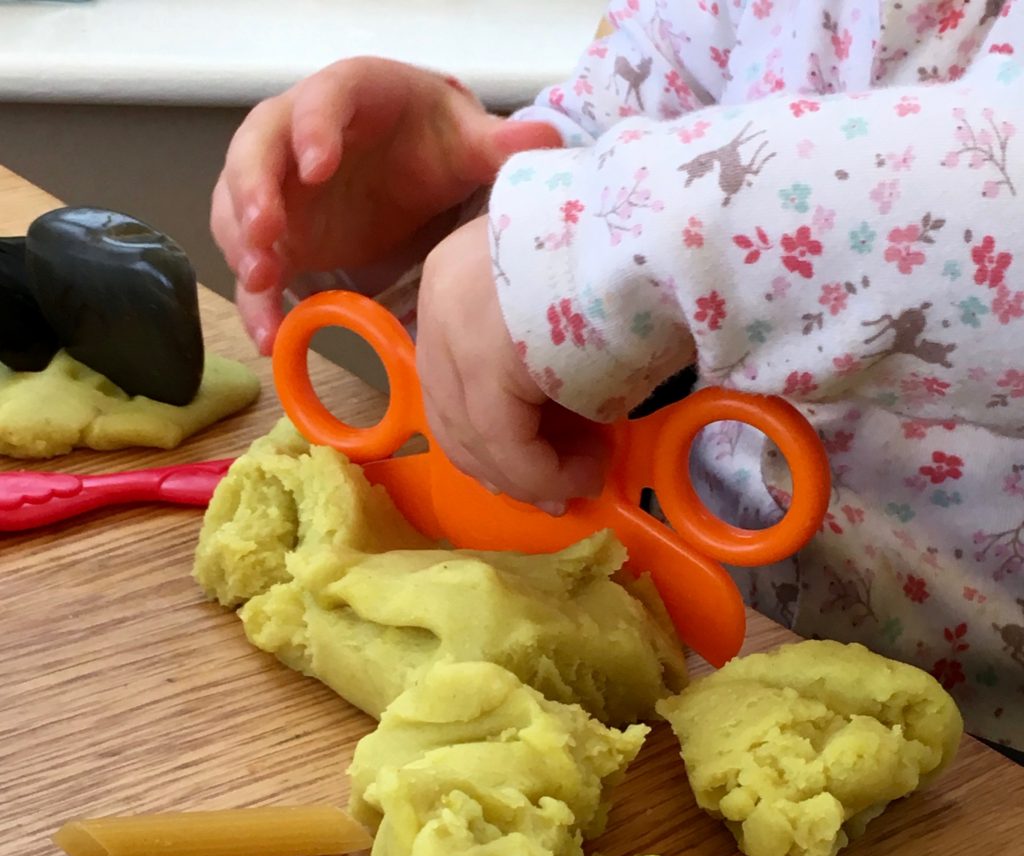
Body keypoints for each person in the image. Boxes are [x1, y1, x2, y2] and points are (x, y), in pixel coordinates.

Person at [211, 1, 1024, 756]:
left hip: (995, 756)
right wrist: (446, 224)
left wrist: (582, 251)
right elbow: (613, 174)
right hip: (718, 652)